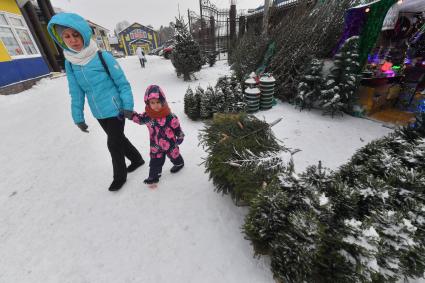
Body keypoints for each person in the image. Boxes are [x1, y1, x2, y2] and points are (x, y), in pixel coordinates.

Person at [47, 13, 145, 192]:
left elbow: (123, 84)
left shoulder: (102, 57)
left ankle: (119, 177)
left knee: (113, 143)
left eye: (75, 35)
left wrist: (128, 107)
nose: (72, 40)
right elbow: (76, 92)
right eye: (66, 36)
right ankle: (137, 159)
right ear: (61, 39)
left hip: (116, 109)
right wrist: (78, 117)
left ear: (83, 34)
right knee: (119, 139)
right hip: (99, 112)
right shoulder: (70, 63)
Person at [131, 85, 185, 184]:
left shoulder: (169, 116)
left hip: (171, 144)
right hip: (155, 145)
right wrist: (130, 114)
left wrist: (180, 135)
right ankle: (153, 176)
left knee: (174, 156)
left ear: (162, 101)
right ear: (148, 103)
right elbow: (138, 119)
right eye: (152, 103)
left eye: (158, 102)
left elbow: (177, 127)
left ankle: (179, 163)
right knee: (155, 160)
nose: (156, 105)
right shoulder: (147, 116)